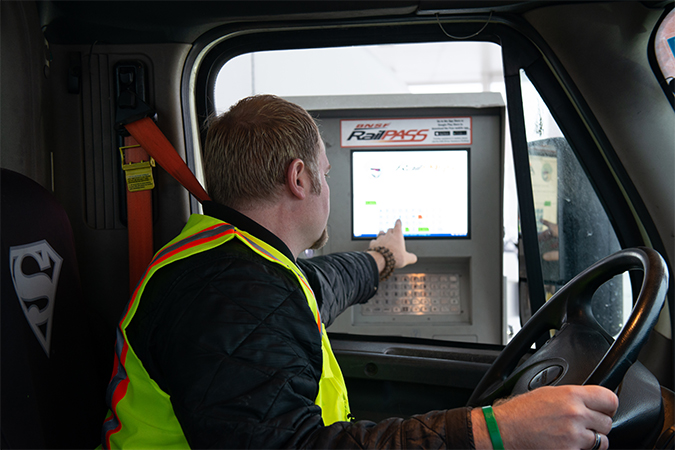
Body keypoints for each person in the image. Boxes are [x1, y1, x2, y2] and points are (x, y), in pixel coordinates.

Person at [100, 94, 618, 449]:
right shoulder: (229, 294)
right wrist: (497, 430)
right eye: (326, 173)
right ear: (299, 178)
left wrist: (384, 258)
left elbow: (318, 285)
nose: (329, 186)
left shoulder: (230, 258)